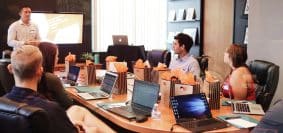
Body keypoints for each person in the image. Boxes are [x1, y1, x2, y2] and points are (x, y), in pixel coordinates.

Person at [4, 45, 114, 133]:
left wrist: (70, 125)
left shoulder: (3, 103)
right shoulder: (49, 110)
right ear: (40, 71)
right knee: (93, 129)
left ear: (10, 69)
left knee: (77, 110)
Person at [38, 42, 73, 110]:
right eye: (56, 56)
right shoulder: (50, 78)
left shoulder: (37, 75)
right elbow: (68, 103)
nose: (58, 59)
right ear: (49, 58)